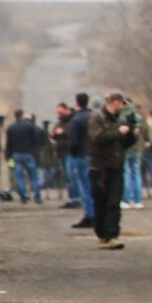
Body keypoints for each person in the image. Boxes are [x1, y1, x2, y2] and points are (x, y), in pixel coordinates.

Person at [87, 92, 134, 250]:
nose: (123, 107)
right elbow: (97, 138)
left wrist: (132, 135)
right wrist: (119, 132)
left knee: (114, 203)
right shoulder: (97, 118)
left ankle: (112, 235)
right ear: (115, 102)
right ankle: (101, 234)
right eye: (121, 103)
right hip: (99, 168)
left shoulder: (120, 120)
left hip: (116, 167)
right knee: (101, 202)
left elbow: (123, 144)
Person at [67, 93, 94, 229]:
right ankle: (96, 213)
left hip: (81, 155)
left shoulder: (76, 119)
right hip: (94, 154)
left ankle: (90, 215)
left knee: (84, 186)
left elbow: (73, 141)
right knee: (94, 185)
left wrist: (73, 153)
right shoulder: (94, 116)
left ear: (77, 103)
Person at [4, 109, 43, 205]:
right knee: (33, 177)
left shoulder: (11, 128)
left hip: (16, 154)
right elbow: (35, 140)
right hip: (29, 154)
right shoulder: (29, 126)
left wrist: (8, 156)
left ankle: (23, 197)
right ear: (22, 115)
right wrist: (35, 151)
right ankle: (37, 196)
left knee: (19, 177)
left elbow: (8, 144)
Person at [50, 102, 81, 208]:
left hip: (69, 152)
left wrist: (63, 132)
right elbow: (54, 133)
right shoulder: (60, 122)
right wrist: (54, 134)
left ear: (66, 110)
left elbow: (74, 134)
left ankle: (76, 198)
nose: (59, 114)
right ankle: (71, 198)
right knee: (67, 177)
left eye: (61, 112)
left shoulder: (73, 120)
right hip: (61, 152)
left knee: (71, 176)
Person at [120, 97, 145, 210]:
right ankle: (138, 200)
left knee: (126, 173)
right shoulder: (138, 116)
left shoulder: (121, 117)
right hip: (136, 147)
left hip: (125, 148)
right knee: (136, 173)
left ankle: (126, 199)